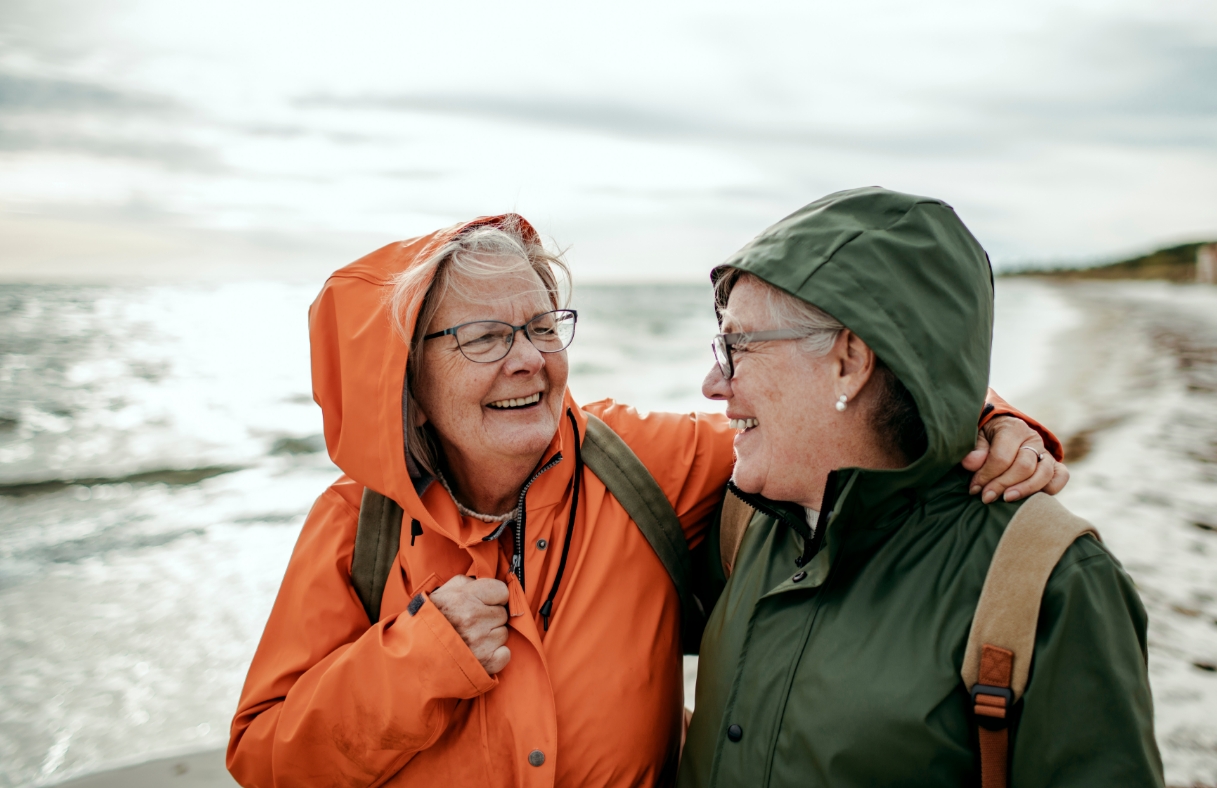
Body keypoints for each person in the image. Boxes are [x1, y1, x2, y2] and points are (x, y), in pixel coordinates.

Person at [227, 213, 1067, 787]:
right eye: (484, 337)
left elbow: (834, 426)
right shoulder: (355, 528)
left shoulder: (638, 463)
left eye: (543, 326)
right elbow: (263, 756)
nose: (528, 360)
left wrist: (993, 420)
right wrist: (419, 659)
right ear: (407, 376)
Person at [678, 188, 1163, 787]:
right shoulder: (741, 523)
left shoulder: (1054, 583)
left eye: (737, 345)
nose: (712, 384)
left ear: (850, 360)